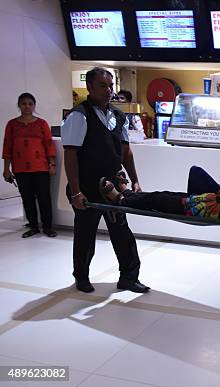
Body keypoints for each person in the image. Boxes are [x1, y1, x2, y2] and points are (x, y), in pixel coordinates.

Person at [61, 67, 150, 294]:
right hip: (87, 188)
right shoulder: (79, 116)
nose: (108, 90)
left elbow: (126, 151)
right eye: (103, 86)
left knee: (122, 232)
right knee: (85, 235)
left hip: (112, 188)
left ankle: (129, 277)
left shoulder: (118, 116)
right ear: (89, 88)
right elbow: (70, 154)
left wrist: (135, 180)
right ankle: (81, 276)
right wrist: (75, 191)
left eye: (111, 86)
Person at [2, 93, 57, 238]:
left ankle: (48, 227)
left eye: (30, 104)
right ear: (19, 105)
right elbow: (7, 146)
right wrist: (6, 169)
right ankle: (33, 226)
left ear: (34, 106)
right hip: (20, 168)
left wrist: (52, 164)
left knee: (44, 198)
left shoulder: (42, 124)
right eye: (24, 103)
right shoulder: (12, 125)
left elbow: (48, 144)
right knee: (27, 198)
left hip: (41, 167)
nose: (27, 106)